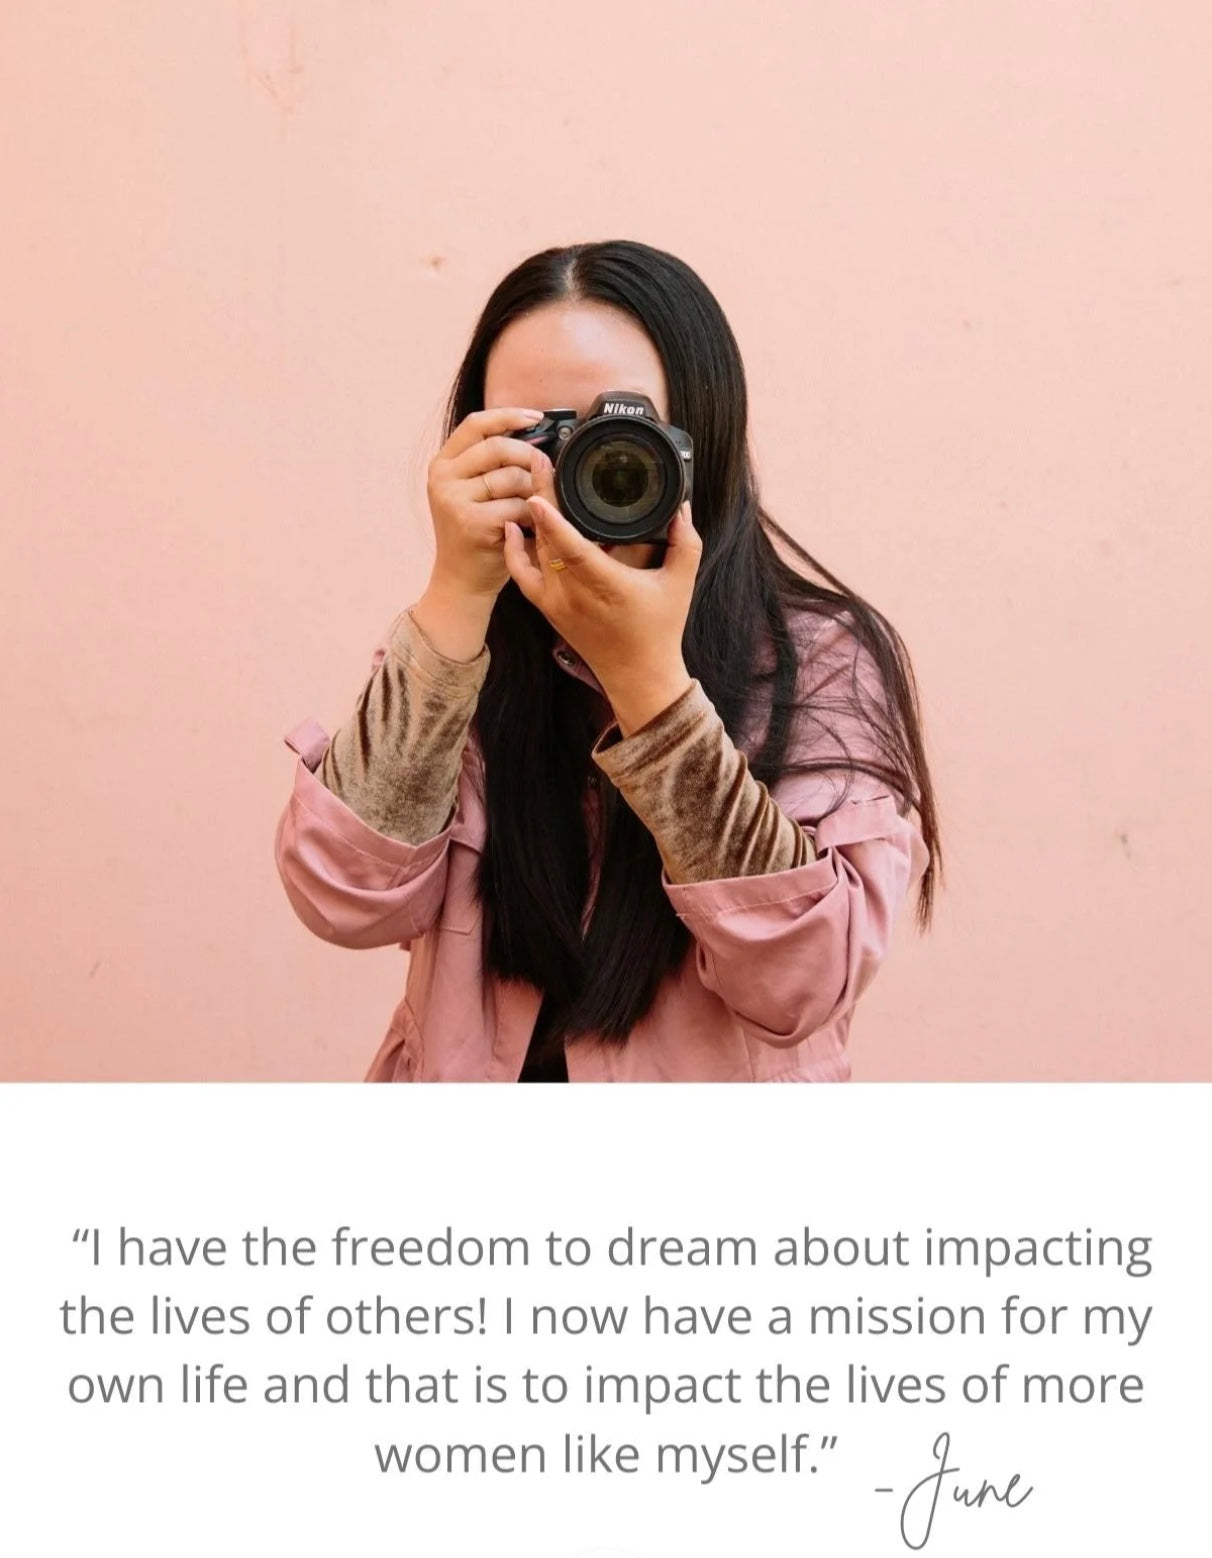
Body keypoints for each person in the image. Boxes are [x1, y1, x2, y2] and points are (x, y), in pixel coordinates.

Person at [274, 240, 941, 1083]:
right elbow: (342, 898)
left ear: (703, 440)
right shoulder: (467, 650)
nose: (583, 472)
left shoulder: (821, 663)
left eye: (618, 432)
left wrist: (651, 688)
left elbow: (802, 982)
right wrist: (451, 596)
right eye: (535, 438)